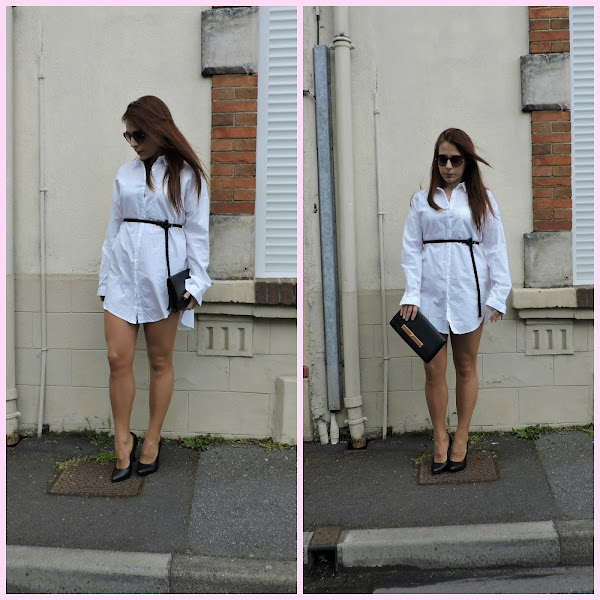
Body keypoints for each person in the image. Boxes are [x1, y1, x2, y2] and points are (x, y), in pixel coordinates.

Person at [98, 96, 210, 482]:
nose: (133, 142)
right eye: (128, 136)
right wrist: (105, 279)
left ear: (159, 129)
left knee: (160, 361)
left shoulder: (187, 176)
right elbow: (113, 229)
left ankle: (152, 438)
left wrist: (197, 283)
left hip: (163, 280)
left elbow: (198, 234)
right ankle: (121, 440)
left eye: (139, 134)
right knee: (117, 358)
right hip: (121, 277)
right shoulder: (124, 174)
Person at [399, 128, 510, 474]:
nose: (448, 166)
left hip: (467, 292)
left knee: (465, 367)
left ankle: (461, 436)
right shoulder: (422, 200)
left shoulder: (482, 199)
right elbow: (411, 250)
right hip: (429, 295)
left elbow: (496, 247)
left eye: (456, 160)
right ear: (436, 161)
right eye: (442, 159)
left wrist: (498, 294)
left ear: (467, 162)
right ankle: (439, 438)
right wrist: (411, 293)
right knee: (433, 369)